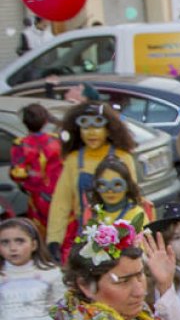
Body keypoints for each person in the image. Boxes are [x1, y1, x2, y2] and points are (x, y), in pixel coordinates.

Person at [46, 102, 137, 258]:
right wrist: (54, 240)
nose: (91, 133)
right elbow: (61, 202)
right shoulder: (74, 160)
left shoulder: (124, 157)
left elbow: (135, 200)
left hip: (119, 236)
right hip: (85, 235)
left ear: (108, 129)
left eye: (97, 126)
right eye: (86, 127)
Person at [9, 103, 63, 229]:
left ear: (24, 122)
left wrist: (30, 175)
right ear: (45, 122)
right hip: (60, 193)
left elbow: (17, 173)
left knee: (40, 230)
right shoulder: (56, 141)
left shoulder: (22, 144)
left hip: (37, 196)